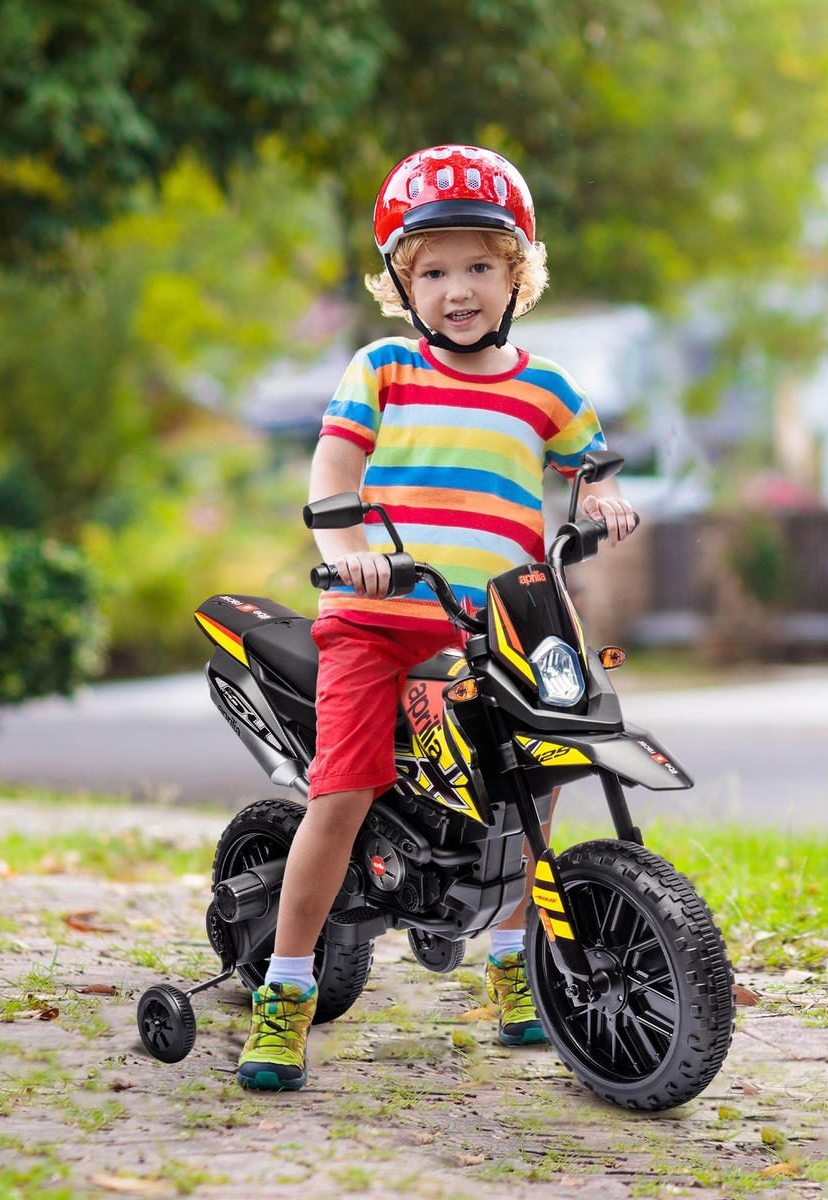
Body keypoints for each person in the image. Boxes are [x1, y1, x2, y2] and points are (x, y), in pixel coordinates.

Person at [237, 145, 637, 1091]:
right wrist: (349, 550)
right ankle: (286, 990)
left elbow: (592, 466)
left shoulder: (546, 385)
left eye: (480, 266)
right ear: (402, 285)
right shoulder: (382, 367)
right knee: (343, 792)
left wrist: (605, 501)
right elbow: (335, 467)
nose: (459, 289)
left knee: (537, 779)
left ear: (518, 275)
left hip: (505, 619)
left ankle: (511, 962)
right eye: (434, 272)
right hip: (379, 616)